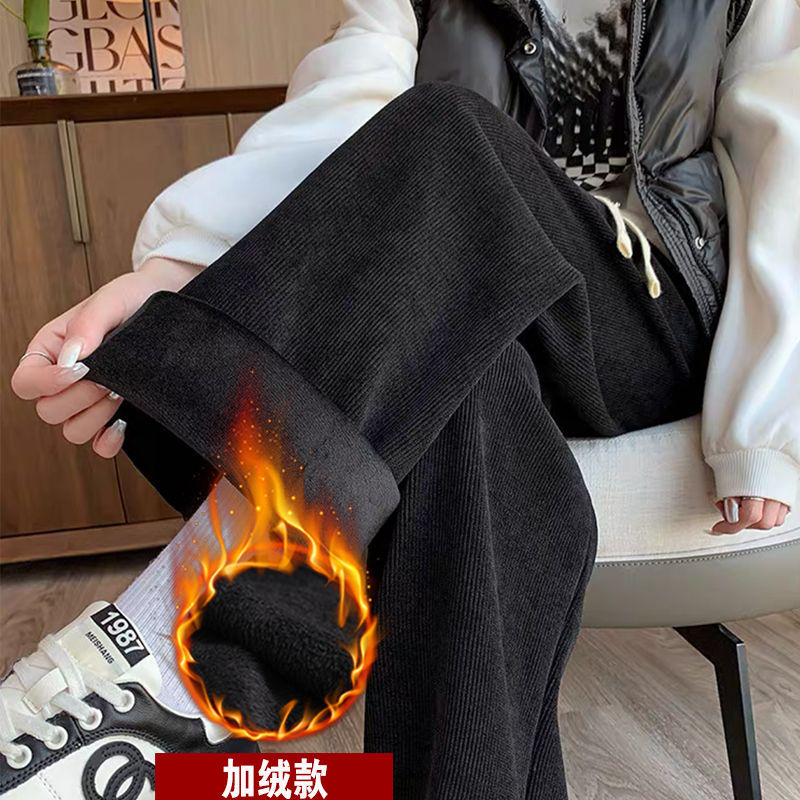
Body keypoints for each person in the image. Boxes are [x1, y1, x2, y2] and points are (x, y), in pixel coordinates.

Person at [3, 1, 798, 798]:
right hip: (470, 306)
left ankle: (173, 671)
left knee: (454, 127)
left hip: (647, 313)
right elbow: (336, 118)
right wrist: (169, 272)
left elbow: (783, 154)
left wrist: (763, 417)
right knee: (472, 391)